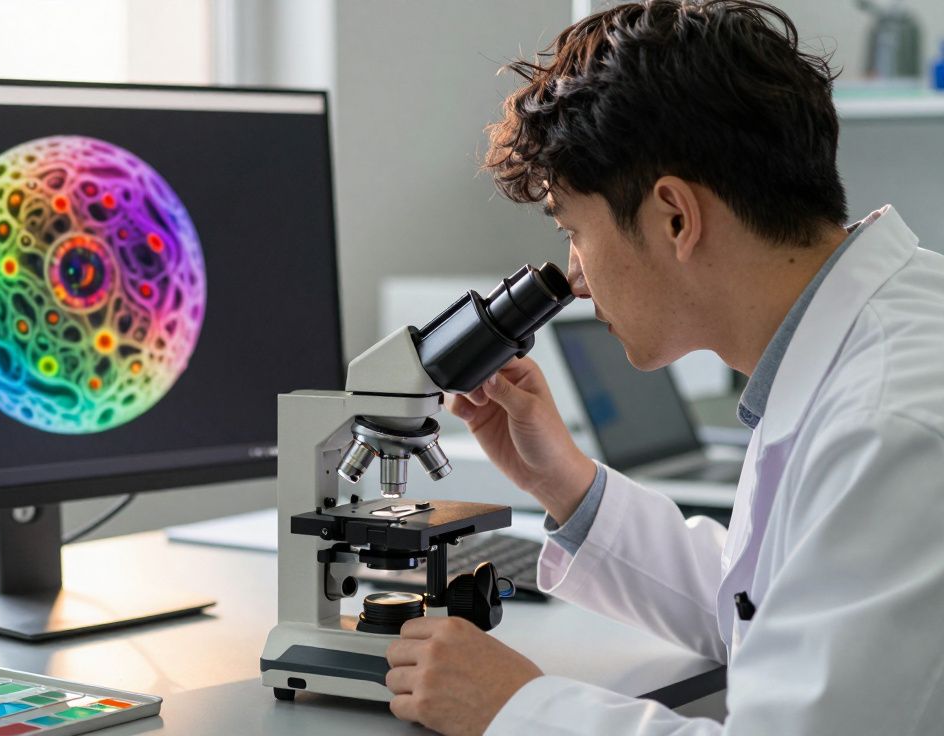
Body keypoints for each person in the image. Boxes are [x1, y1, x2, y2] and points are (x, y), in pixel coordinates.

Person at [381, 1, 944, 734]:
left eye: (574, 231)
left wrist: (515, 708)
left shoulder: (890, 425)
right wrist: (566, 484)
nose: (575, 278)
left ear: (676, 217)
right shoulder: (864, 343)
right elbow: (770, 605)